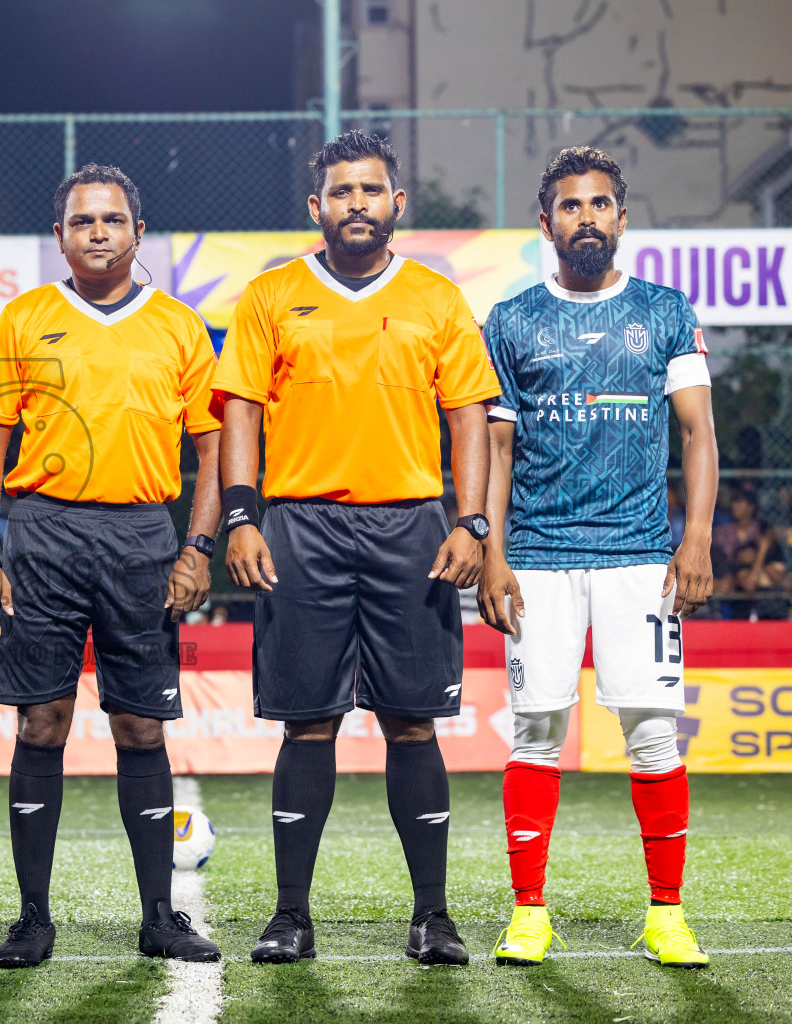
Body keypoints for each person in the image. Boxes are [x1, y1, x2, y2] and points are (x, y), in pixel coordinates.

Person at [213, 130, 499, 966]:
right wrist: (240, 516)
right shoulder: (271, 294)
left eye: (371, 190)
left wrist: (472, 522)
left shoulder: (437, 298)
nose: (357, 204)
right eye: (342, 192)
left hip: (411, 528)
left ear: (396, 203)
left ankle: (433, 916)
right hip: (301, 527)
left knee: (413, 724)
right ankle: (290, 917)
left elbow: (469, 416)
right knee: (308, 724)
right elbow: (240, 411)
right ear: (318, 206)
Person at [0, 164, 223, 969]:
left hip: (143, 535)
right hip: (42, 534)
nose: (99, 232)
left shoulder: (179, 327)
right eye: (83, 221)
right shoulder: (24, 318)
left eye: (113, 220)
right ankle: (32, 918)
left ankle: (159, 918)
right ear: (60, 237)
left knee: (140, 726)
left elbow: (213, 449)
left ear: (138, 233)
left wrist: (198, 547)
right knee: (41, 723)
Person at [477, 146, 718, 969]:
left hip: (639, 555)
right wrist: (493, 553)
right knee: (535, 733)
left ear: (622, 216)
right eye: (571, 206)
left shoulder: (664, 310)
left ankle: (667, 916)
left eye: (601, 203)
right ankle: (529, 914)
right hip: (538, 557)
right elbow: (497, 450)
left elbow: (698, 432)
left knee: (653, 737)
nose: (587, 217)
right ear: (546, 222)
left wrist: (695, 537)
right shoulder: (511, 320)